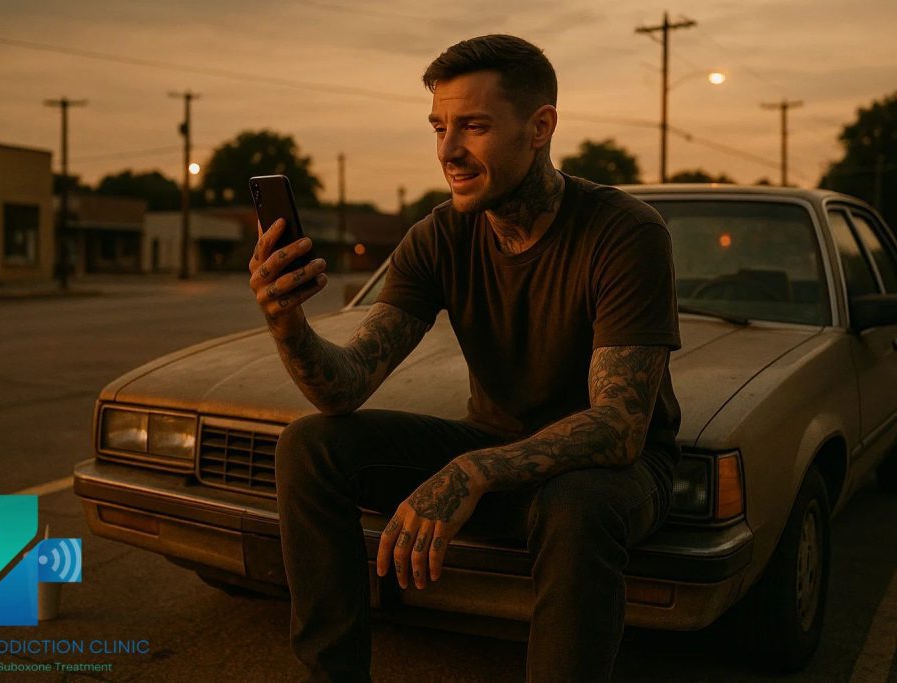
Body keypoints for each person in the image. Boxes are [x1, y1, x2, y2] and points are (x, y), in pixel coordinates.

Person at [248, 34, 681, 683]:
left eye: (473, 126)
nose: (448, 151)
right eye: (439, 127)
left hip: (614, 474)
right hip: (496, 451)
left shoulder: (624, 233)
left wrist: (470, 471)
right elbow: (343, 387)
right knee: (310, 445)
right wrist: (286, 321)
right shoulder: (439, 236)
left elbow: (619, 426)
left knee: (577, 501)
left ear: (540, 128)